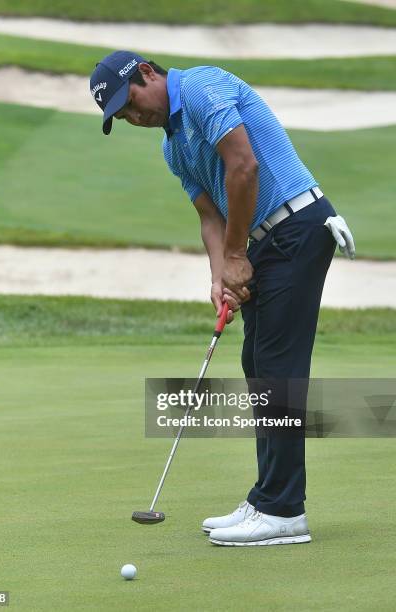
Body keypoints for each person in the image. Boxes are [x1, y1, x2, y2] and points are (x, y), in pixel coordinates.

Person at [90, 51, 355, 546]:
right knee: (259, 363)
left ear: (147, 72)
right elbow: (210, 216)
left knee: (278, 367)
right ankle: (267, 499)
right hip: (265, 243)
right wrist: (221, 275)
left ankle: (283, 512)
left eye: (130, 103)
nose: (132, 117)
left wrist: (236, 254)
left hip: (297, 227)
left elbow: (244, 166)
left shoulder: (201, 87)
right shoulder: (173, 147)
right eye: (121, 116)